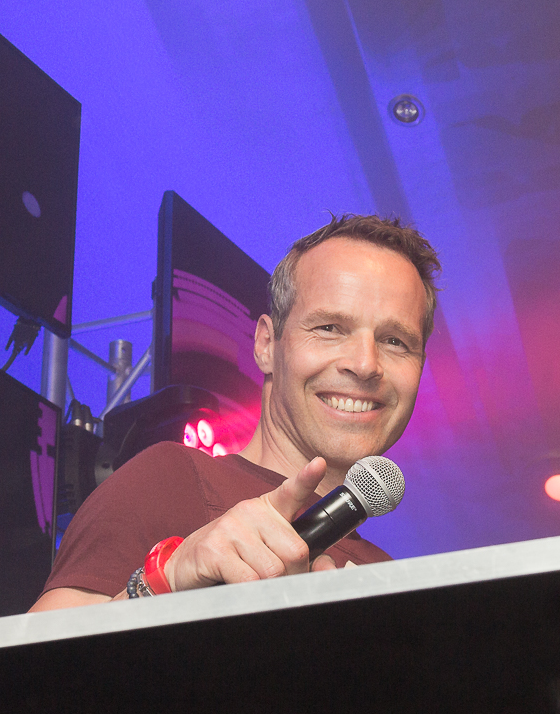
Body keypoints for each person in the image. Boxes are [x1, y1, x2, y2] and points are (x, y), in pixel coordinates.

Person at [31, 214, 440, 610]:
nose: (365, 364)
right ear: (266, 345)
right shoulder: (170, 480)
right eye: (329, 328)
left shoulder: (392, 577)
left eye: (395, 341)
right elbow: (38, 653)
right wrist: (166, 579)